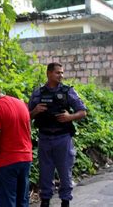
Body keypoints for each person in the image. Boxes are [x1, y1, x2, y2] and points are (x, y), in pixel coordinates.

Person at [28, 63, 87, 207]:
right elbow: (26, 116)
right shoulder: (38, 93)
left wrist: (69, 117)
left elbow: (83, 111)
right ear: (48, 73)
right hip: (44, 137)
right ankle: (45, 200)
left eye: (62, 73)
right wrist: (35, 111)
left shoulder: (68, 91)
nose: (61, 76)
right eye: (57, 73)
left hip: (63, 137)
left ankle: (65, 201)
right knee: (45, 172)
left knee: (65, 171)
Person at [0, 82, 33, 207]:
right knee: (22, 201)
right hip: (26, 158)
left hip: (6, 162)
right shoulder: (21, 104)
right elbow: (29, 131)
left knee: (7, 202)